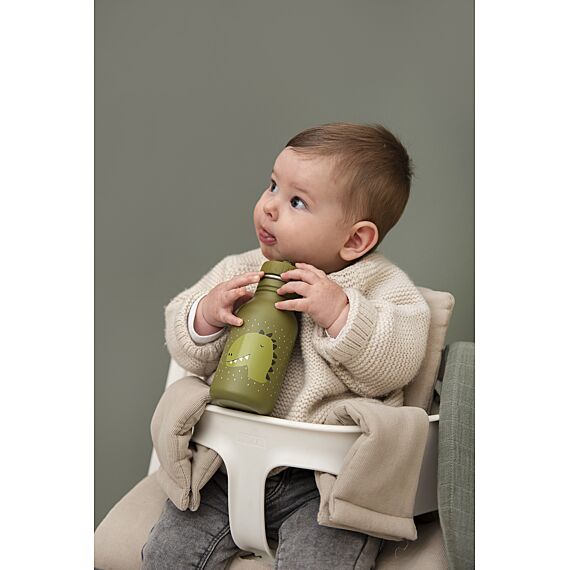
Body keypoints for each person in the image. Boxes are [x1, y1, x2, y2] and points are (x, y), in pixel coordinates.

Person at [141, 122, 431, 569]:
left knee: (320, 559)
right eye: (272, 185)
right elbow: (182, 341)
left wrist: (340, 314)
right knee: (168, 554)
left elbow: (397, 361)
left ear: (355, 239)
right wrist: (206, 315)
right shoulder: (240, 270)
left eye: (297, 201)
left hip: (325, 484)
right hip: (225, 466)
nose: (269, 207)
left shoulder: (383, 288)